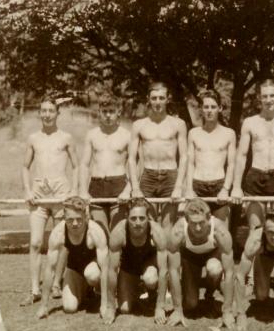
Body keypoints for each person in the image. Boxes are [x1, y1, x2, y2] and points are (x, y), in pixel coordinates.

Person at [21, 96, 79, 306]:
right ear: (39, 113)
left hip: (61, 195)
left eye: (50, 111)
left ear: (57, 113)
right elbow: (25, 167)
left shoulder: (66, 138)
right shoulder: (33, 138)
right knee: (36, 242)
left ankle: (56, 283)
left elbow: (77, 166)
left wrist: (73, 191)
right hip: (39, 196)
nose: (46, 115)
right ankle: (35, 289)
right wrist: (27, 190)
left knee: (61, 242)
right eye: (43, 111)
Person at [231, 79, 274, 230]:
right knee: (255, 229)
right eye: (264, 96)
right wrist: (236, 186)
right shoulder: (250, 122)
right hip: (255, 177)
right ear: (259, 98)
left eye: (272, 95)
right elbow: (241, 156)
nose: (268, 100)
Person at [166, 198, 236, 328]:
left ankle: (209, 295)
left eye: (201, 222)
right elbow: (173, 271)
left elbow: (230, 271)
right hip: (190, 258)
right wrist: (177, 310)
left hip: (212, 256)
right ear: (187, 220)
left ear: (209, 218)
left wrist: (227, 312)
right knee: (191, 304)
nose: (198, 228)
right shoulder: (178, 230)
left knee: (214, 269)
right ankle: (190, 288)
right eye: (193, 223)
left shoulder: (219, 230)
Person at [35, 196, 108, 320]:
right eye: (70, 220)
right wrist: (44, 306)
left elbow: (106, 268)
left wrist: (106, 305)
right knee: (69, 308)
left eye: (79, 219)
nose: (74, 224)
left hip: (95, 270)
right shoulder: (58, 233)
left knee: (91, 274)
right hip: (74, 270)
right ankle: (86, 291)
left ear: (86, 215)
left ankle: (98, 292)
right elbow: (50, 269)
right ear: (64, 217)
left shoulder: (95, 231)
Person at [128, 81, 188, 230]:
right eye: (154, 98)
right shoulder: (139, 125)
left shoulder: (178, 124)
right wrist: (135, 187)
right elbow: (131, 158)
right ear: (148, 99)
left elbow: (185, 157)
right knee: (149, 224)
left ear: (168, 99)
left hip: (170, 176)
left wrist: (179, 186)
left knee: (168, 226)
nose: (157, 102)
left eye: (161, 98)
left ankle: (166, 253)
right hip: (148, 176)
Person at [107, 198, 169, 324]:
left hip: (149, 265)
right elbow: (112, 271)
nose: (138, 222)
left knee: (150, 278)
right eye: (133, 218)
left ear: (148, 218)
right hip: (129, 267)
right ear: (126, 217)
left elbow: (163, 271)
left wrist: (160, 307)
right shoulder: (119, 232)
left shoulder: (157, 232)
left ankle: (153, 294)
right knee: (125, 309)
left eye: (142, 218)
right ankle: (137, 288)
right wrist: (110, 307)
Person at [79, 94, 131, 236]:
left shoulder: (127, 135)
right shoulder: (92, 135)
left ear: (118, 112)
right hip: (96, 185)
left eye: (111, 111)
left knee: (116, 234)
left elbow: (135, 166)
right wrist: (83, 190)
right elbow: (84, 164)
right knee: (100, 234)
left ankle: (118, 259)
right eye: (105, 111)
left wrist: (128, 190)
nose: (108, 115)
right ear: (99, 112)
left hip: (118, 185)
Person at [184, 89, 236, 225]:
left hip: (219, 185)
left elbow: (231, 165)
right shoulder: (193, 133)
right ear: (201, 109)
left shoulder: (229, 133)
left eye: (213, 107)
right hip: (197, 186)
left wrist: (225, 189)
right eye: (206, 107)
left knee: (221, 231)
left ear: (220, 108)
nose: (209, 110)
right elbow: (190, 164)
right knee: (196, 230)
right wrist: (189, 188)